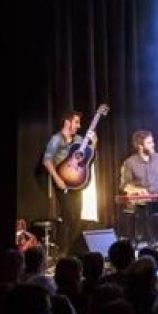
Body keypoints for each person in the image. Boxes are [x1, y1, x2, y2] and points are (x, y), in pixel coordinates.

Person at [42, 110, 97, 258]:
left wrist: (94, 143)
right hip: (62, 182)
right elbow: (47, 160)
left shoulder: (79, 138)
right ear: (67, 122)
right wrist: (57, 179)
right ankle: (63, 252)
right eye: (76, 122)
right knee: (68, 216)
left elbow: (87, 157)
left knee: (77, 217)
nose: (79, 126)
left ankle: (73, 250)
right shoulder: (56, 139)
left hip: (77, 183)